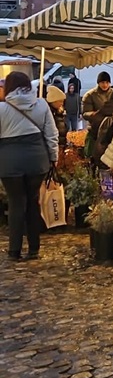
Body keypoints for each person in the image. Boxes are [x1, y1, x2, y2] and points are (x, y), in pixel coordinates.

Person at [0, 72, 59, 260]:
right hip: (37, 160)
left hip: (9, 163)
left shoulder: (1, 108)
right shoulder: (41, 104)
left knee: (16, 203)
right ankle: (34, 248)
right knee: (33, 202)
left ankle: (14, 250)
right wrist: (53, 157)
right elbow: (52, 134)